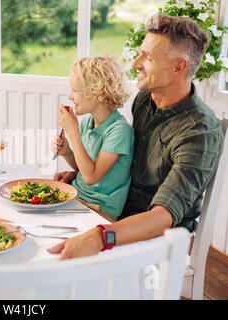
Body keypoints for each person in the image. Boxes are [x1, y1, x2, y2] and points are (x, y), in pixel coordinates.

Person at [49, 14, 224, 260]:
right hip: (118, 215)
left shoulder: (199, 132)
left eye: (148, 57)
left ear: (178, 67)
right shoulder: (145, 100)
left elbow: (162, 217)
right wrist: (79, 173)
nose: (135, 63)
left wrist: (101, 236)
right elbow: (126, 161)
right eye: (140, 53)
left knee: (61, 263)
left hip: (158, 239)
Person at [52, 55, 134, 218]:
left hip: (99, 210)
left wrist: (73, 132)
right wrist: (67, 151)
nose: (70, 96)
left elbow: (91, 177)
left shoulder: (119, 131)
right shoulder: (87, 122)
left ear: (96, 92)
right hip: (78, 198)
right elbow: (82, 169)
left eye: (75, 90)